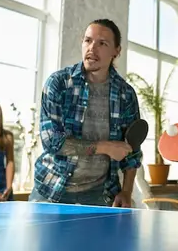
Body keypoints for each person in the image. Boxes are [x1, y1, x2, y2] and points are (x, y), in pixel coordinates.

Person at [29, 19, 142, 207]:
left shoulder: (126, 94)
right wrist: (105, 147)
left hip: (100, 194)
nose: (92, 48)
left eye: (102, 43)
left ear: (116, 51)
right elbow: (53, 142)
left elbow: (132, 150)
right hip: (51, 189)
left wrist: (126, 191)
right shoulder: (58, 83)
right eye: (88, 41)